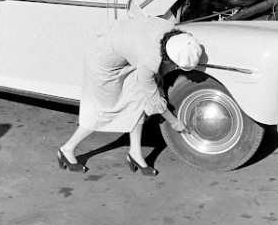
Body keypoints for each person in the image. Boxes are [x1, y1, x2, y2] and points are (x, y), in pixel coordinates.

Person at [57, 18, 198, 176]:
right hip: (102, 64)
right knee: (105, 111)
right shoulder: (148, 61)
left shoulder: (167, 27)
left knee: (137, 101)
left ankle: (135, 153)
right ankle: (67, 149)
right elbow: (154, 98)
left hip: (122, 55)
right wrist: (174, 122)